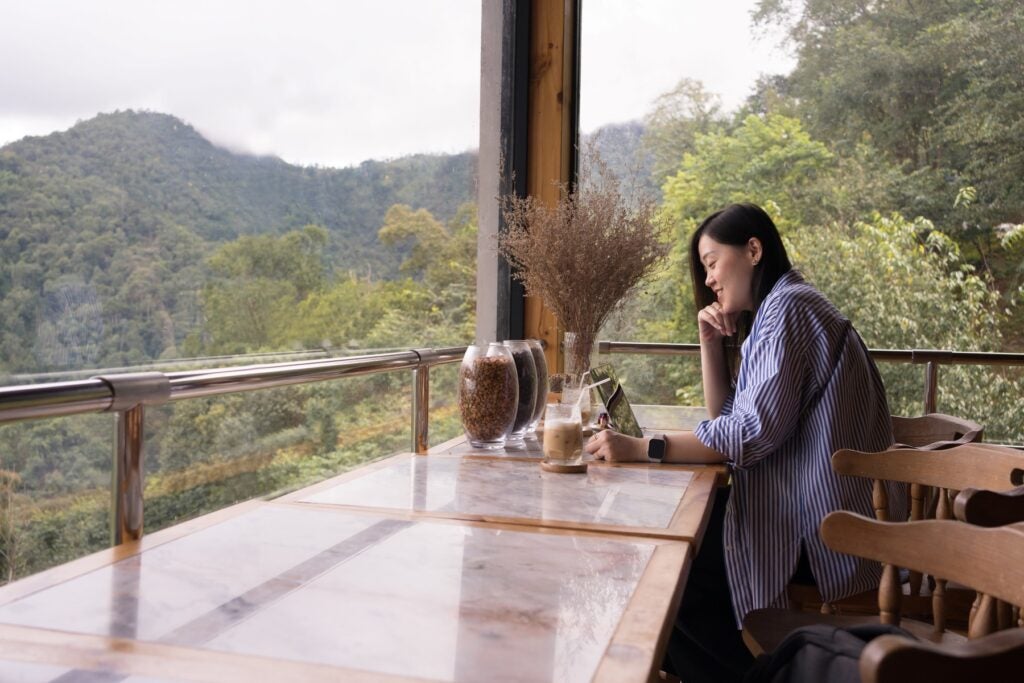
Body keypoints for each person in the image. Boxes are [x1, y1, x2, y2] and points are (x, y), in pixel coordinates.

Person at [585, 203, 904, 682]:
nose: (709, 279)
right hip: (814, 515)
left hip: (829, 533)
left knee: (665, 569)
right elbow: (728, 421)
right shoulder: (777, 311)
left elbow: (745, 436)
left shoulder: (789, 310)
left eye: (712, 262)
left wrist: (642, 446)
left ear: (753, 249)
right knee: (665, 561)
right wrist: (709, 342)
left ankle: (760, 674)